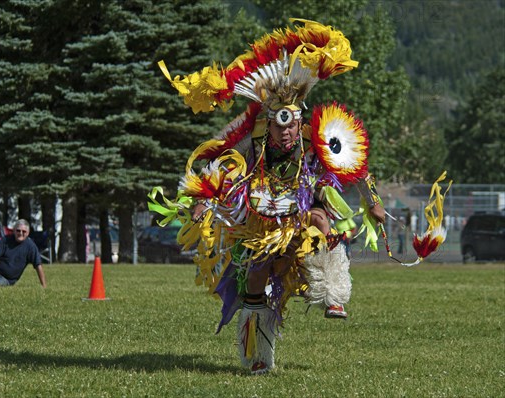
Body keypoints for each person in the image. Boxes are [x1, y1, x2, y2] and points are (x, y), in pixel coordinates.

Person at [154, 19, 386, 374]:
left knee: (322, 221)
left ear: (299, 121)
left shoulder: (314, 138)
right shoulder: (253, 139)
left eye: (292, 125)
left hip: (302, 216)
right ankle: (258, 356)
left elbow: (354, 165)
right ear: (270, 122)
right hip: (261, 227)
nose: (287, 133)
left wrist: (373, 202)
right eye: (281, 126)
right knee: (256, 283)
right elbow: (218, 161)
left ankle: (334, 295)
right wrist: (203, 199)